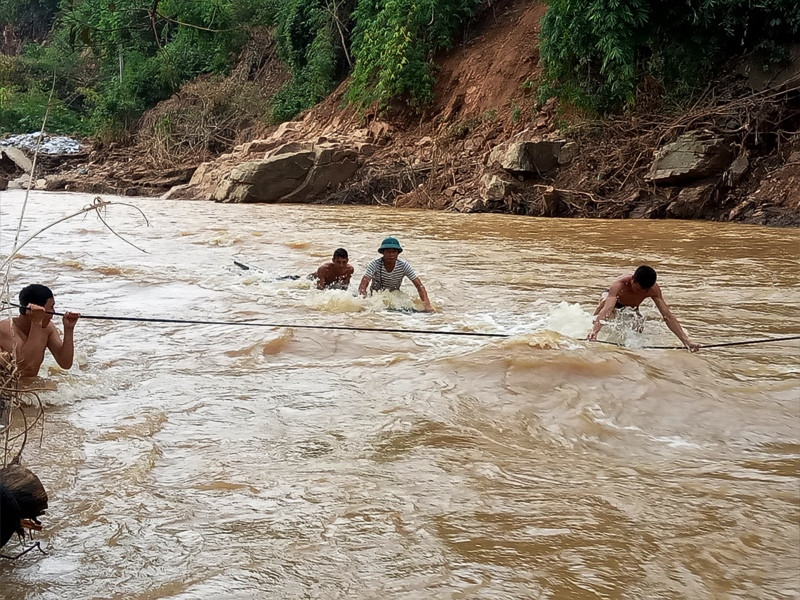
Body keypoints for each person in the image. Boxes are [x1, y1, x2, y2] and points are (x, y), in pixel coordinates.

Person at [587, 265, 700, 351]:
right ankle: (590, 330)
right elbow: (607, 309)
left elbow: (667, 316)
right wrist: (595, 331)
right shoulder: (619, 285)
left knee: (639, 323)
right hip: (612, 300)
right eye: (638, 290)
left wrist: (687, 342)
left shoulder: (653, 289)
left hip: (632, 306)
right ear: (632, 280)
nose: (642, 293)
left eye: (645, 291)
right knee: (604, 303)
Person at [0, 284, 81, 377]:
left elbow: (65, 364)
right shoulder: (5, 328)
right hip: (13, 386)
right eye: (51, 307)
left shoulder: (47, 328)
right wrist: (36, 322)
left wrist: (69, 329)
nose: (54, 312)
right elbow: (26, 366)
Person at [358, 237, 434, 312]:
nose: (391, 254)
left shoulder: (404, 265)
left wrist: (427, 305)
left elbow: (419, 286)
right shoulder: (374, 264)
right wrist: (365, 301)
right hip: (376, 298)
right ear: (383, 253)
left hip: (395, 298)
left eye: (394, 251)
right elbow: (363, 286)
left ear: (398, 253)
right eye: (388, 251)